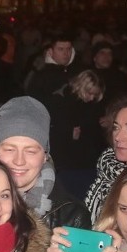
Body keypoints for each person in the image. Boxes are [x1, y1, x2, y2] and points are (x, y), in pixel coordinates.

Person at [0, 96, 91, 230]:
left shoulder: (72, 217)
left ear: (45, 156)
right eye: (10, 149)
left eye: (31, 151)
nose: (19, 161)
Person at [43, 70, 106, 199]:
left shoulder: (89, 105)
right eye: (89, 93)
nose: (91, 98)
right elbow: (53, 128)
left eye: (95, 95)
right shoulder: (61, 99)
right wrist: (69, 132)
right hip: (65, 160)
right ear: (81, 87)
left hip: (83, 159)